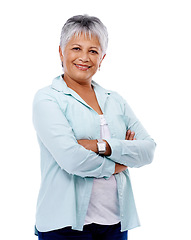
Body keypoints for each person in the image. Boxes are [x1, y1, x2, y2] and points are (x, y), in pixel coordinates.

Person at [33, 14, 156, 240]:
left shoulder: (115, 100)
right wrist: (120, 162)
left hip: (115, 224)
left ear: (102, 58)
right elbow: (71, 159)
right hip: (64, 227)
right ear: (61, 52)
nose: (84, 57)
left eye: (93, 51)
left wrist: (102, 146)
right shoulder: (48, 99)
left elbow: (148, 150)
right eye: (76, 48)